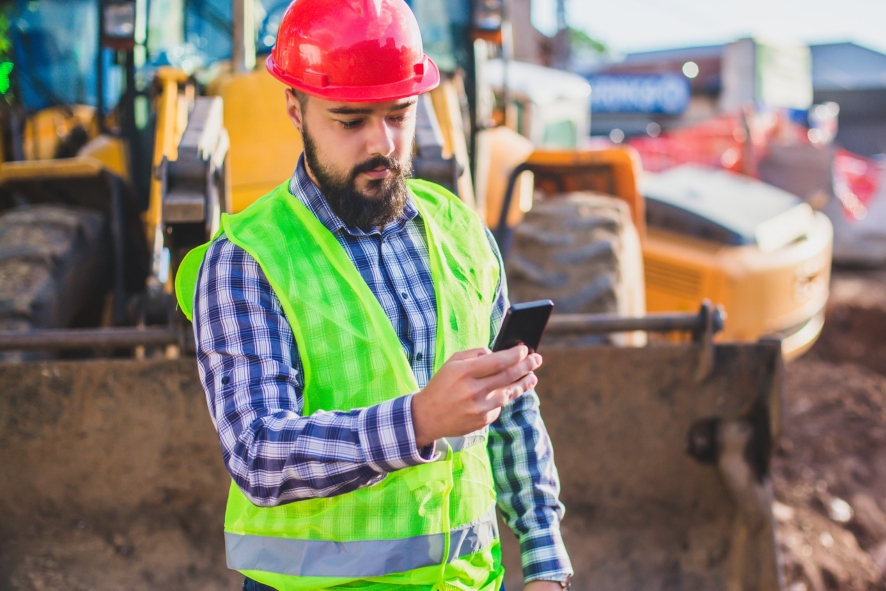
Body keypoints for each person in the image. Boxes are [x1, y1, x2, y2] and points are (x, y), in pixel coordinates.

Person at [175, 0, 573, 589]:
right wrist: (418, 420)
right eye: (350, 120)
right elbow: (259, 455)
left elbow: (510, 410)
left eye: (398, 114)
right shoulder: (247, 260)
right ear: (295, 106)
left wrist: (544, 560)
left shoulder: (460, 231)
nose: (381, 144)